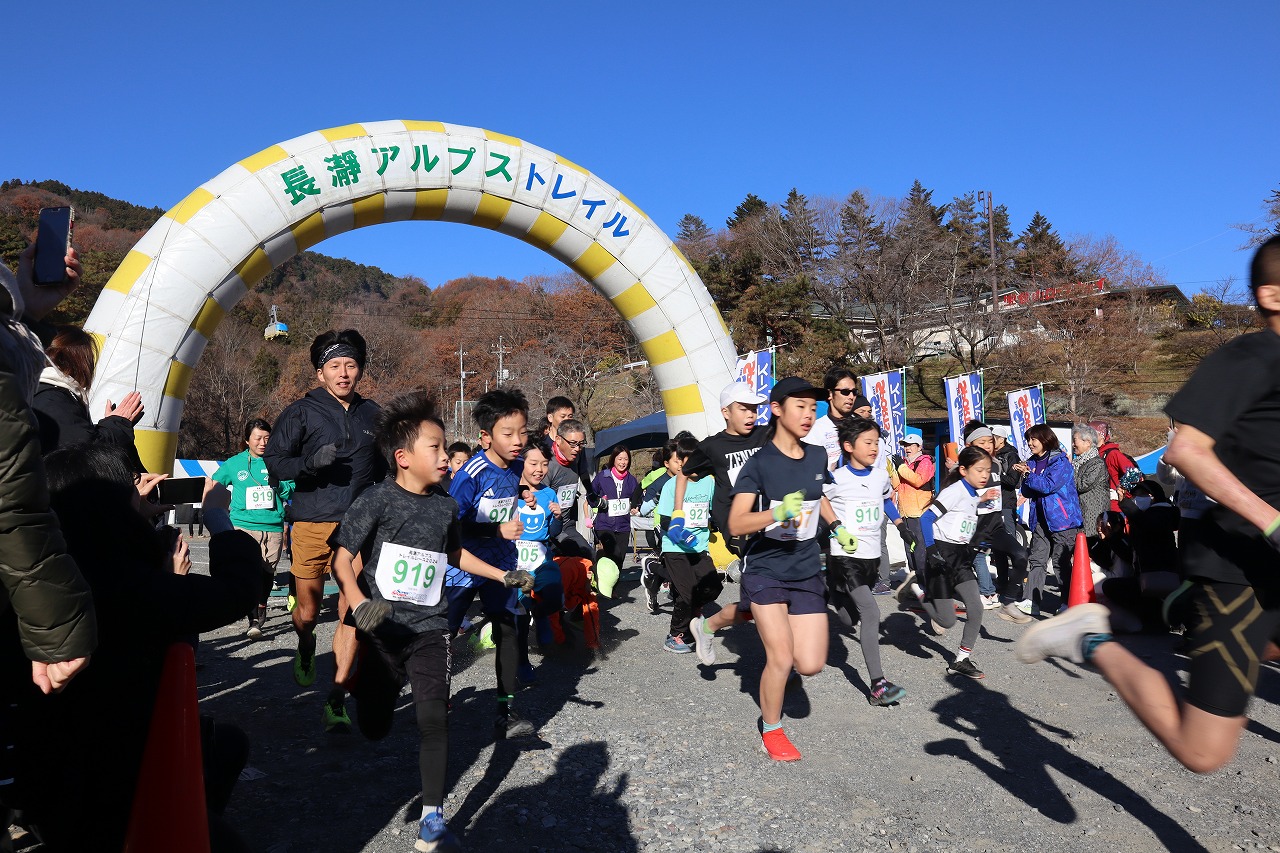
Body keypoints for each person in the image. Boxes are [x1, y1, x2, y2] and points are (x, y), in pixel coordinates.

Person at [1016, 235, 1280, 774]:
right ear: (1272, 295)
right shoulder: (1249, 358)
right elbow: (1187, 451)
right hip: (1238, 569)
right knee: (1202, 752)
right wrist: (1273, 523)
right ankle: (1089, 639)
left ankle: (1153, 608)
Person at [12, 445, 261, 851]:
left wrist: (135, 514)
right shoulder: (131, 586)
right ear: (111, 506)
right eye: (129, 487)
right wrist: (218, 519)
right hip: (112, 793)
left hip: (43, 778)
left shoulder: (44, 580)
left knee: (228, 744)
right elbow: (238, 591)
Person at [331, 391, 533, 853]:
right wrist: (359, 604)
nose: (446, 457)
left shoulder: (445, 506)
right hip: (382, 629)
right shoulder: (375, 500)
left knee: (433, 718)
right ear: (403, 458)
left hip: (430, 626)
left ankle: (432, 819)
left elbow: (456, 554)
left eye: (445, 448)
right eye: (435, 448)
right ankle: (366, 688)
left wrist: (502, 574)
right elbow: (341, 560)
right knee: (376, 723)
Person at [263, 329, 386, 733]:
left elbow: (388, 467)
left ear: (360, 370)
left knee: (352, 611)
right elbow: (275, 461)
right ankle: (305, 639)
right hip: (312, 520)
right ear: (320, 373)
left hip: (359, 524)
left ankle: (336, 697)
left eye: (351, 365)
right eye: (335, 366)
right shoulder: (300, 412)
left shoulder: (373, 414)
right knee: (309, 611)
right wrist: (309, 464)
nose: (344, 373)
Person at [729, 376, 844, 761]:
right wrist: (776, 513)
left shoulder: (817, 456)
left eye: (813, 408)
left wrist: (837, 526)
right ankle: (772, 729)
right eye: (800, 406)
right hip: (766, 567)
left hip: (806, 567)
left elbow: (818, 495)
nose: (808, 414)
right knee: (780, 656)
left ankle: (739, 617)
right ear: (777, 409)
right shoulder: (759, 464)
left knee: (809, 664)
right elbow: (736, 523)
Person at [446, 388, 539, 739]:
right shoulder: (470, 475)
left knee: (510, 627)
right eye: (508, 434)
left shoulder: (516, 465)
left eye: (522, 432)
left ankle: (506, 710)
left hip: (501, 562)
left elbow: (512, 487)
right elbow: (451, 528)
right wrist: (495, 529)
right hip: (463, 565)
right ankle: (436, 697)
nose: (518, 441)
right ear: (486, 436)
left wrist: (524, 492)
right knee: (444, 634)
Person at [669, 381, 770, 658]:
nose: (751, 414)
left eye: (754, 409)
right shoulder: (713, 446)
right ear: (726, 412)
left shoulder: (766, 434)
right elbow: (683, 474)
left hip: (768, 520)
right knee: (768, 586)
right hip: (736, 526)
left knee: (761, 600)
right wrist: (678, 514)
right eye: (744, 408)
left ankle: (708, 626)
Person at [824, 417, 913, 704]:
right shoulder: (836, 478)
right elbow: (818, 502)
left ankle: (831, 590)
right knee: (871, 613)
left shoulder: (879, 476)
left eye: (876, 442)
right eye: (868, 442)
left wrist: (901, 525)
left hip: (871, 558)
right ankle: (878, 686)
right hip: (845, 557)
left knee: (849, 619)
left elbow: (885, 500)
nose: (874, 448)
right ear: (848, 446)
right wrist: (835, 528)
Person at [902, 445, 996, 678]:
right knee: (946, 621)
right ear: (963, 470)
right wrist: (931, 550)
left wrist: (981, 501)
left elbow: (963, 515)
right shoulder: (954, 491)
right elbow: (926, 519)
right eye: (980, 470)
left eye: (987, 471)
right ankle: (919, 590)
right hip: (941, 555)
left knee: (976, 607)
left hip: (961, 557)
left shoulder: (972, 493)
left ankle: (961, 660)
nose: (985, 475)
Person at [213, 418, 295, 639]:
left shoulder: (280, 462)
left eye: (267, 438)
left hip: (272, 524)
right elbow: (215, 484)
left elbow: (291, 488)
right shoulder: (234, 463)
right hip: (244, 525)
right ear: (247, 440)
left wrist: (280, 485)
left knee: (267, 572)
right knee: (251, 570)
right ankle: (253, 619)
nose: (263, 443)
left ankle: (261, 605)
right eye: (258, 438)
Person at [32, 325, 145, 465]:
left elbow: (75, 437)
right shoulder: (52, 399)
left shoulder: (45, 393)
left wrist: (108, 424)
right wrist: (118, 423)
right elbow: (87, 453)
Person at [1009, 424, 1083, 618]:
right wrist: (1023, 474)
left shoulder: (1060, 462)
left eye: (1033, 439)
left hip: (1062, 520)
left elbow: (1048, 485)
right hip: (1040, 518)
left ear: (1045, 439)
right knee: (1037, 559)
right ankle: (1031, 601)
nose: (1030, 443)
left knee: (1061, 562)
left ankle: (1068, 602)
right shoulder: (1032, 462)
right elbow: (1028, 491)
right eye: (1028, 440)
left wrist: (1028, 474)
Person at [656, 436, 721, 655]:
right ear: (681, 461)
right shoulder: (671, 485)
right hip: (675, 548)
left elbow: (713, 511)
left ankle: (693, 615)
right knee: (687, 592)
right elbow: (665, 521)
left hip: (699, 548)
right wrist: (683, 535)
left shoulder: (708, 482)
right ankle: (675, 636)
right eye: (687, 459)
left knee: (713, 586)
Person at [513, 440, 565, 682]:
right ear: (521, 463)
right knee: (520, 613)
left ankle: (541, 613)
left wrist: (558, 517)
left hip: (542, 556)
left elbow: (553, 532)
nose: (539, 470)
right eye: (533, 464)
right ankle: (523, 662)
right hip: (514, 560)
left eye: (544, 464)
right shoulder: (510, 491)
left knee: (555, 595)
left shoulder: (549, 493)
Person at [543, 418, 597, 560]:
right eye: (572, 444)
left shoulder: (577, 457)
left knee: (590, 557)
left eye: (581, 444)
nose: (577, 449)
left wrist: (592, 493)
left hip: (567, 525)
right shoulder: (546, 465)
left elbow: (584, 473)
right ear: (558, 440)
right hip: (548, 529)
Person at [888, 429, 934, 587]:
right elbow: (896, 485)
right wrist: (893, 471)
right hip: (905, 512)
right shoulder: (904, 463)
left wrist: (901, 468)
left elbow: (918, 480)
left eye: (911, 445)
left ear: (919, 447)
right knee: (909, 549)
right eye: (905, 445)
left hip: (919, 512)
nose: (907, 448)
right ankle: (915, 583)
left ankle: (925, 583)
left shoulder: (925, 462)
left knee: (920, 549)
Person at [589, 445, 641, 576]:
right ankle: (600, 577)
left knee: (620, 558)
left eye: (626, 459)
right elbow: (590, 495)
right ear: (613, 459)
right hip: (604, 524)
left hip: (623, 525)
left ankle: (610, 583)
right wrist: (599, 502)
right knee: (614, 553)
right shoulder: (603, 476)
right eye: (620, 459)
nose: (623, 462)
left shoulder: (631, 480)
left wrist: (636, 507)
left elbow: (637, 499)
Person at [803, 367, 859, 470]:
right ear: (830, 394)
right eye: (845, 392)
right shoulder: (814, 430)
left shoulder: (863, 425)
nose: (851, 396)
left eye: (854, 392)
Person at [1071, 423, 1109, 552]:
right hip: (1081, 514)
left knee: (1091, 549)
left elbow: (1082, 485)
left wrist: (1070, 470)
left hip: (1092, 517)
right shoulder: (1079, 462)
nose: (1073, 444)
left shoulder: (1096, 463)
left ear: (1087, 442)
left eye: (1075, 440)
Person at [1091, 420, 1140, 511]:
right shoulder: (1094, 454)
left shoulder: (1113, 454)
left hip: (1114, 505)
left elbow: (1134, 473)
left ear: (1101, 435)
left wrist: (1122, 490)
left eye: (1091, 433)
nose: (1087, 436)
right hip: (1098, 503)